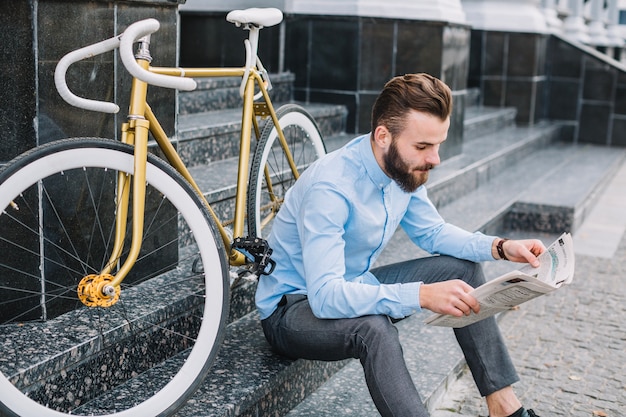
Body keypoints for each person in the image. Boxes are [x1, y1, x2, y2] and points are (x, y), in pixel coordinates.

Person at [255, 73, 545, 417]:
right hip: (292, 311)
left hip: (354, 283)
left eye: (438, 145)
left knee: (462, 269)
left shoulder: (401, 169)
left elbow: (432, 233)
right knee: (373, 328)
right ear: (382, 136)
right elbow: (326, 297)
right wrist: (421, 295)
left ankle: (506, 409)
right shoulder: (331, 188)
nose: (434, 159)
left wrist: (500, 246)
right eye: (423, 147)